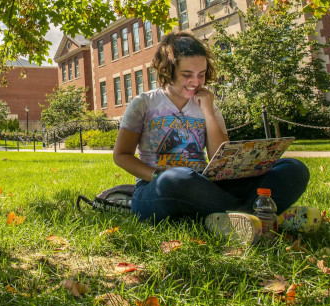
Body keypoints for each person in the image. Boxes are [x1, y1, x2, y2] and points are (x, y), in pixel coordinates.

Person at [113, 31, 318, 244]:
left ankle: (242, 220)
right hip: (156, 189)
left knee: (293, 169)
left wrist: (208, 113)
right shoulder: (144, 103)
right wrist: (156, 175)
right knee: (177, 178)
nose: (195, 81)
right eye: (187, 74)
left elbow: (220, 156)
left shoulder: (208, 104)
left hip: (207, 187)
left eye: (201, 74)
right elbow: (121, 155)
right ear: (168, 70)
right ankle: (264, 215)